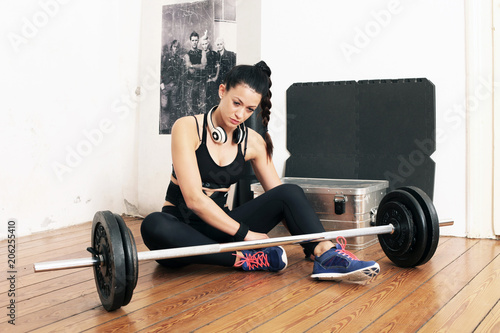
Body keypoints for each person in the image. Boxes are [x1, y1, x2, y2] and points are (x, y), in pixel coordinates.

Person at [141, 61, 380, 282]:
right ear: (222, 91)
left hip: (223, 229)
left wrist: (309, 238)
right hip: (179, 234)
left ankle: (326, 256)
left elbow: (280, 198)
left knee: (290, 192)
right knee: (153, 224)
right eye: (236, 103)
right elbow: (193, 199)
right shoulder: (187, 127)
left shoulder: (253, 143)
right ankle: (243, 260)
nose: (240, 115)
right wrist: (246, 235)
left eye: (249, 109)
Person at [184, 31, 206, 115]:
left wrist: (192, 65)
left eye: (196, 40)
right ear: (190, 41)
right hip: (191, 82)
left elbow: (203, 66)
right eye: (193, 40)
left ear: (198, 41)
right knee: (190, 106)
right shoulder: (187, 55)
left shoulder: (202, 52)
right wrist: (198, 66)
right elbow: (190, 70)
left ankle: (201, 126)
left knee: (202, 105)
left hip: (201, 81)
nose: (194, 42)